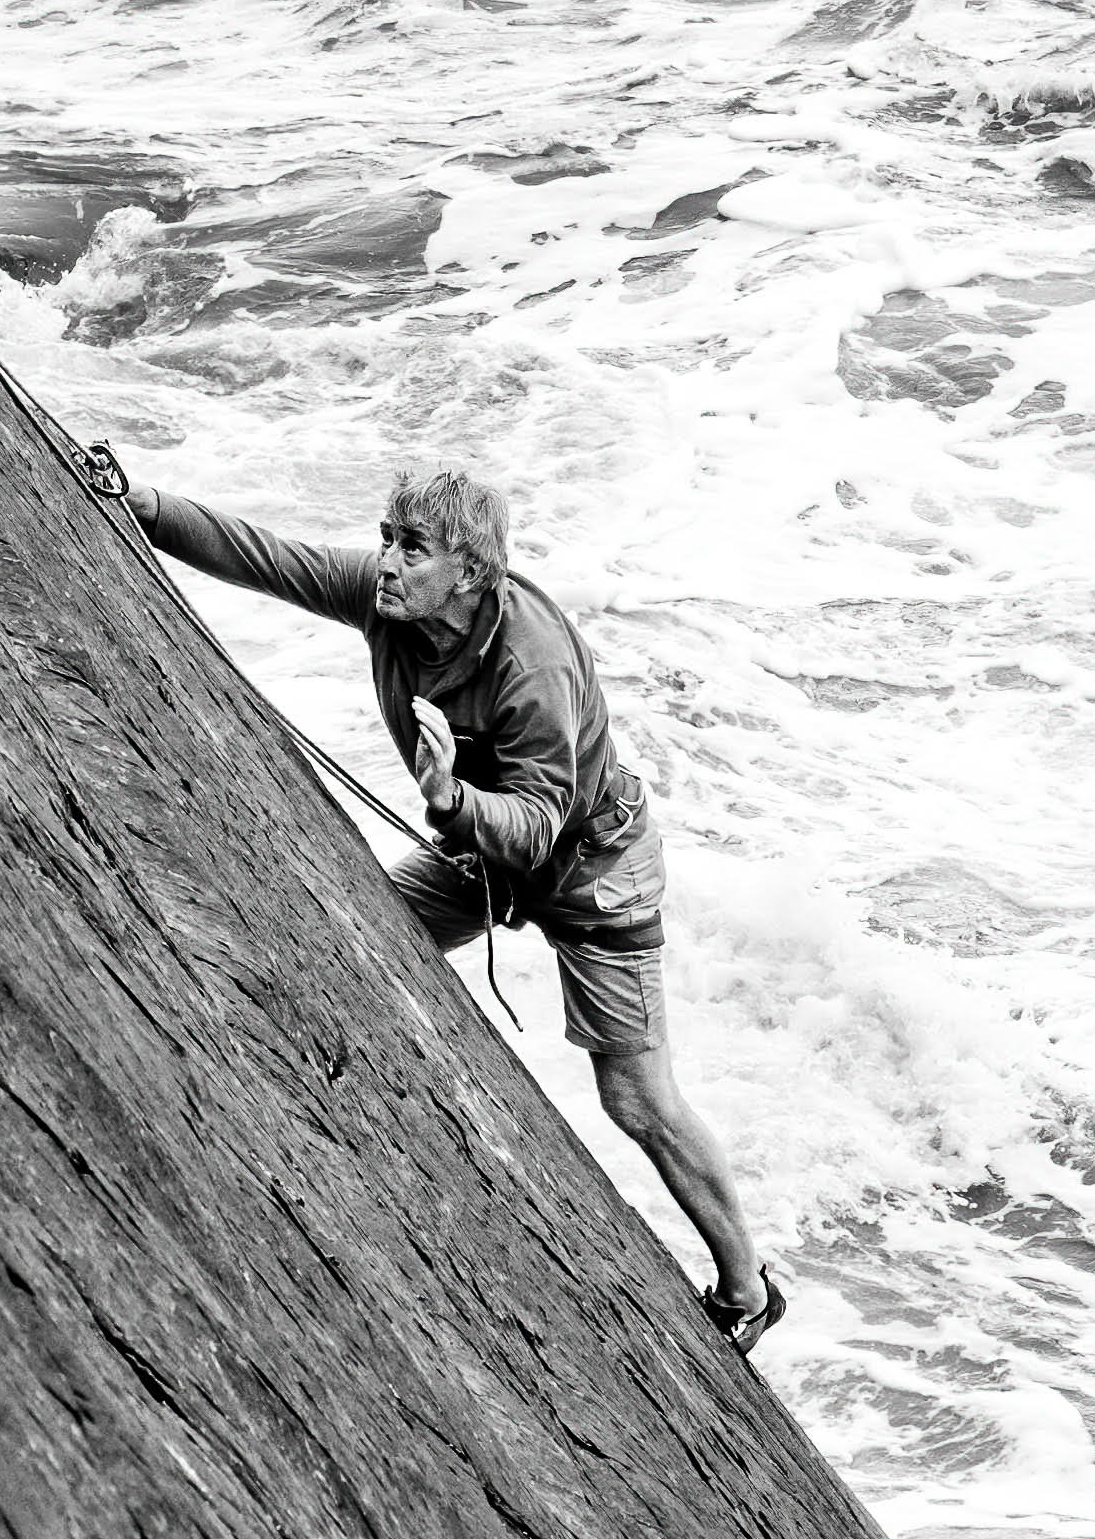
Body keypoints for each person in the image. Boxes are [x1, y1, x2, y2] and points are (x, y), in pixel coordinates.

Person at [95, 457, 786, 1352]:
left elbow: (537, 825)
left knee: (638, 1101)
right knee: (355, 940)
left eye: (411, 548)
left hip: (589, 870)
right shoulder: (387, 601)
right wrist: (140, 505)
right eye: (386, 539)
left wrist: (452, 798)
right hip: (479, 852)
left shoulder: (530, 665)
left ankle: (746, 1289)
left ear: (468, 573)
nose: (385, 561)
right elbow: (263, 555)